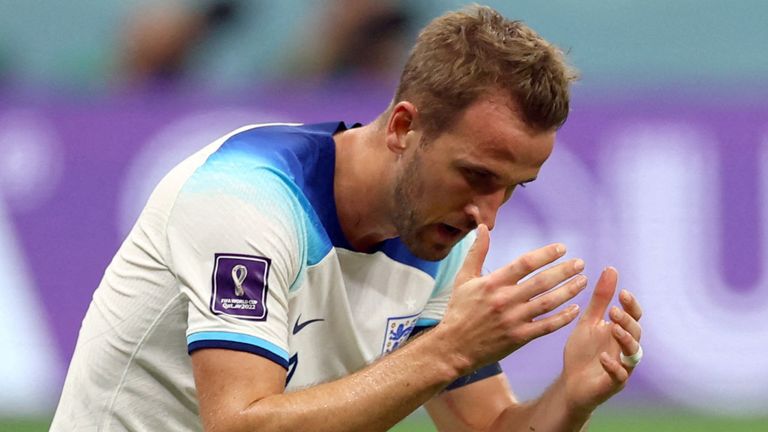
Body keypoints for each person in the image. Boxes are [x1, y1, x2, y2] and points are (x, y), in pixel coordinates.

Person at [51, 5, 644, 431]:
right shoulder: (246, 199)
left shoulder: (443, 240)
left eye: (514, 188)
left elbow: (488, 425)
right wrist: (448, 351)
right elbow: (238, 425)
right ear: (404, 128)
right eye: (478, 176)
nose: (485, 215)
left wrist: (571, 399)